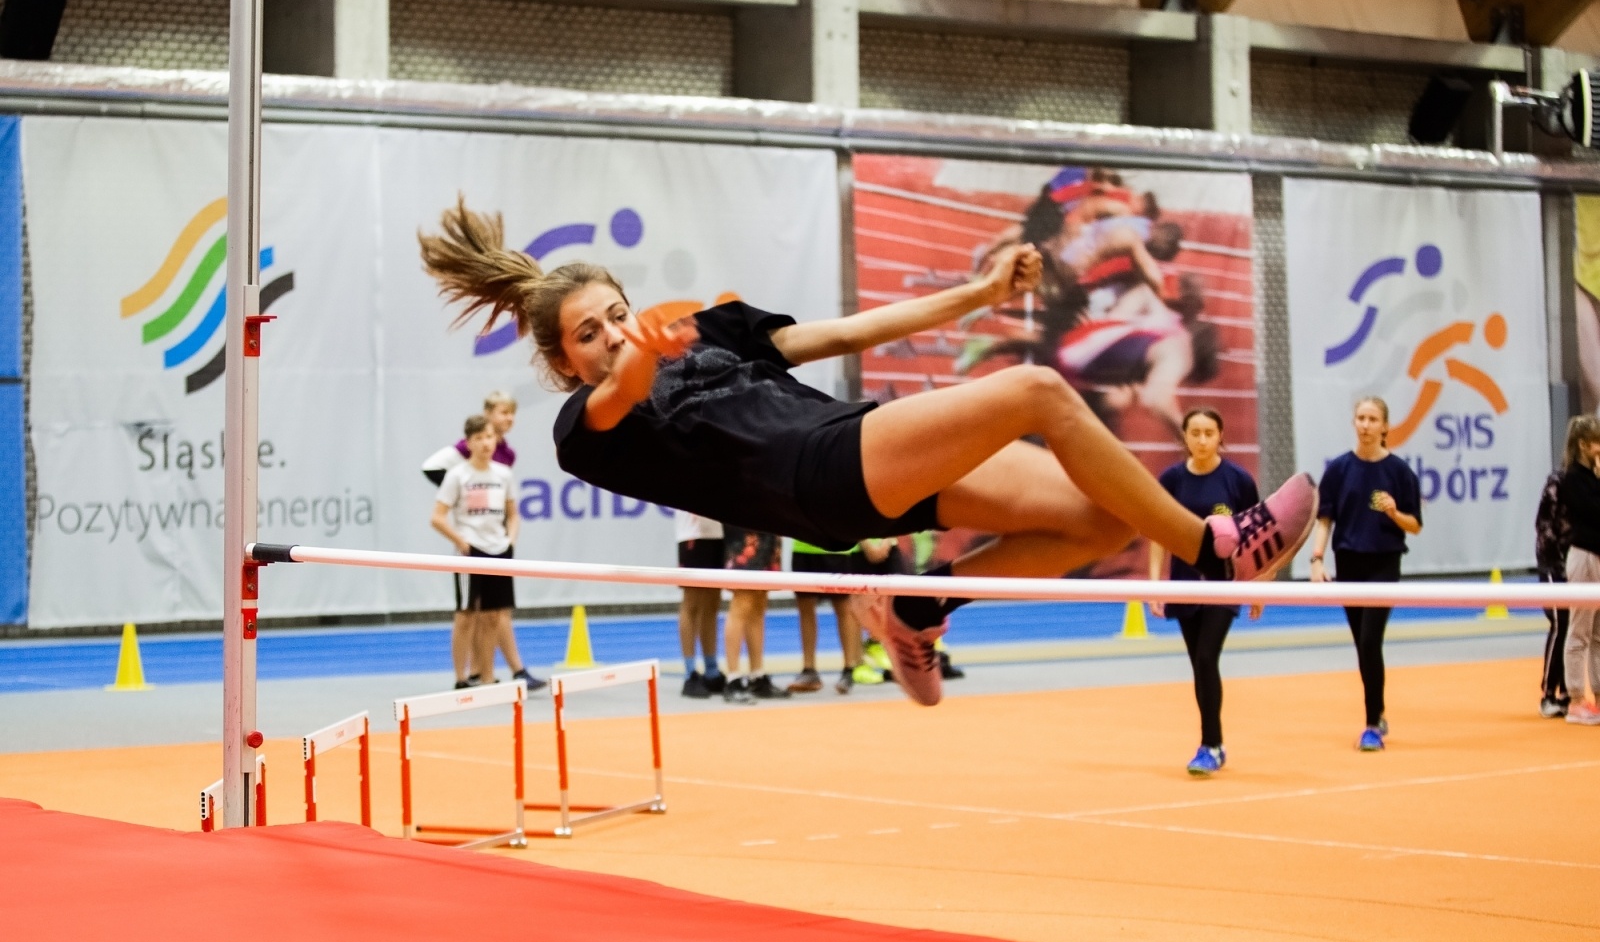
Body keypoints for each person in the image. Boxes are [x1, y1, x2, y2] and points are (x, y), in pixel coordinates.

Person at [417, 199, 1318, 707]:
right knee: (1039, 392)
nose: (610, 337)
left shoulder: (711, 333)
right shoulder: (585, 426)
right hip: (813, 483)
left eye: (616, 314)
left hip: (860, 443)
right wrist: (650, 345)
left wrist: (977, 292)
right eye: (587, 335)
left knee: (1096, 517)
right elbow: (621, 392)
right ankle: (1215, 550)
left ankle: (922, 609)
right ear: (559, 360)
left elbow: (850, 330)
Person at [1148, 409, 1261, 776]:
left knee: (1208, 657)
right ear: (1184, 437)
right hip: (1183, 584)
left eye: (1208, 432)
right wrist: (1153, 584)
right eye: (1194, 432)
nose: (1201, 439)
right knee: (1199, 664)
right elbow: (1157, 532)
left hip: (1223, 587)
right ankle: (1215, 742)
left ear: (1220, 436)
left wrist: (1257, 586)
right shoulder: (1171, 480)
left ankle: (1209, 744)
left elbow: (1257, 539)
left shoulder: (1238, 481)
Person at [1307, 397, 1423, 751]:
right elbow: (1324, 519)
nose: (1366, 424)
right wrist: (1316, 560)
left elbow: (1415, 525)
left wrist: (1393, 513)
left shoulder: (1400, 473)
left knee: (1371, 641)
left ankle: (1372, 723)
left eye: (1373, 419)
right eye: (1360, 417)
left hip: (1384, 563)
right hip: (1349, 563)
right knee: (1363, 645)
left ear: (1385, 426)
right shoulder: (1339, 470)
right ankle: (1379, 710)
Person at [422, 392, 544, 691]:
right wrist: (461, 530)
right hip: (470, 545)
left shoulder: (505, 466)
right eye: (503, 412)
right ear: (471, 441)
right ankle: (467, 676)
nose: (509, 419)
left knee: (493, 614)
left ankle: (485, 673)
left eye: (511, 414)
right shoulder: (457, 467)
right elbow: (430, 472)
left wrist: (510, 538)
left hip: (498, 545)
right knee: (468, 614)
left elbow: (513, 511)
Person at [1535, 419, 1590, 719]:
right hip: (1555, 563)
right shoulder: (1558, 481)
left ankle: (1572, 689)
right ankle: (1549, 691)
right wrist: (1556, 564)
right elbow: (1544, 526)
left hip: (1583, 561)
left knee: (1587, 627)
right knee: (1562, 622)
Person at [789, 540, 882, 695]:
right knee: (805, 607)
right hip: (803, 545)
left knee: (844, 607)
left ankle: (849, 669)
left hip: (837, 548)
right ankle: (809, 670)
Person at [1560, 416, 1600, 726]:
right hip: (1584, 555)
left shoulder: (1594, 477)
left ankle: (1598, 697)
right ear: (1585, 445)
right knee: (1579, 630)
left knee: (1599, 633)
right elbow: (1592, 514)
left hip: (1598, 556)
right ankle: (1575, 700)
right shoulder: (1572, 478)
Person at [722, 529, 789, 703]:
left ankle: (757, 675)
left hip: (768, 527)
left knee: (759, 601)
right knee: (742, 600)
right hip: (744, 527)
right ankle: (733, 678)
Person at [675, 508, 726, 698]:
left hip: (721, 531)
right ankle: (690, 673)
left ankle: (711, 670)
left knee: (713, 602)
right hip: (693, 532)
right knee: (692, 602)